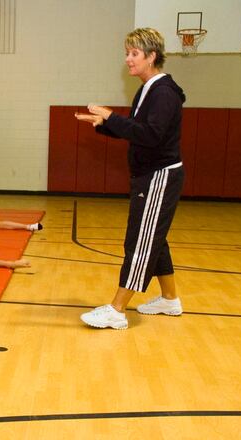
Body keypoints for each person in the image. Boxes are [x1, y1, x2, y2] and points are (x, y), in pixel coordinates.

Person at [74, 28, 185, 330]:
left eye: (134, 54)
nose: (128, 59)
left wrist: (111, 116)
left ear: (151, 56)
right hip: (147, 176)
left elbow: (151, 135)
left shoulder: (163, 92)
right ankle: (170, 299)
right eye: (127, 53)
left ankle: (117, 309)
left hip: (159, 176)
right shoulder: (147, 88)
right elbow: (137, 129)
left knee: (140, 241)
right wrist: (104, 124)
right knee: (154, 238)